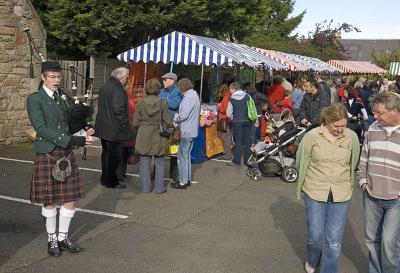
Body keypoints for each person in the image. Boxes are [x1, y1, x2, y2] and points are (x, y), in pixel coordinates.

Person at [27, 60, 94, 257]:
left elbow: (70, 122)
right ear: (43, 78)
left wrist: (84, 127)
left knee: (70, 198)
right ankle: (52, 239)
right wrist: (71, 139)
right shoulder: (35, 99)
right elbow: (41, 129)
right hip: (48, 152)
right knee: (49, 200)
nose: (56, 80)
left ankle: (63, 237)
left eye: (58, 77)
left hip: (65, 152)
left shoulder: (64, 96)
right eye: (52, 77)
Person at [296, 103, 360, 273]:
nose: (340, 130)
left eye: (343, 126)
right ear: (327, 121)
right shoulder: (312, 136)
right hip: (315, 190)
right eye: (336, 126)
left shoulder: (352, 137)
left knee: (334, 241)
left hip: (341, 192)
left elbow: (354, 162)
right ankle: (312, 259)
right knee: (315, 237)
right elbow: (301, 160)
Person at [358, 92, 400, 273]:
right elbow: (364, 158)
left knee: (389, 244)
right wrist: (362, 181)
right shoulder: (373, 128)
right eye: (374, 112)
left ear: (395, 110)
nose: (375, 116)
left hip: (395, 200)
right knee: (371, 240)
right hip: (371, 195)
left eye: (379, 113)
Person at [133, 78, 173, 193]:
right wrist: (170, 132)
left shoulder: (140, 103)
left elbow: (135, 123)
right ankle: (159, 188)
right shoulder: (163, 103)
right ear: (158, 89)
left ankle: (145, 187)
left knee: (144, 162)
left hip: (144, 133)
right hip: (158, 134)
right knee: (160, 162)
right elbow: (167, 121)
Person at [95, 67, 132, 189]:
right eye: (126, 77)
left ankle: (105, 179)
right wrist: (125, 126)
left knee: (106, 154)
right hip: (113, 129)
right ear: (122, 77)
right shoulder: (117, 90)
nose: (127, 80)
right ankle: (111, 181)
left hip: (104, 127)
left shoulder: (105, 86)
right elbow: (119, 110)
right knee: (114, 157)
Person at [171, 78, 200, 189]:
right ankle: (186, 179)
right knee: (186, 156)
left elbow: (184, 114)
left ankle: (183, 181)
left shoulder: (189, 97)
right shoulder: (194, 95)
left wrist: (176, 119)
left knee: (182, 157)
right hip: (191, 130)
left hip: (186, 130)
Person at [159, 72, 183, 184]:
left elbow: (174, 105)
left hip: (173, 126)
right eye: (163, 80)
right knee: (159, 150)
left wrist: (163, 101)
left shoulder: (178, 92)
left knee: (173, 152)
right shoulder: (161, 91)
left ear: (172, 81)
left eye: (165, 79)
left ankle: (173, 174)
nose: (163, 81)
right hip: (162, 125)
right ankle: (156, 172)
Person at [226, 82, 255, 167]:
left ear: (233, 89)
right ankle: (248, 161)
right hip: (248, 120)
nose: (230, 92)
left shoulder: (231, 99)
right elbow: (252, 107)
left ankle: (237, 161)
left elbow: (228, 114)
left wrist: (233, 118)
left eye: (230, 90)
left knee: (238, 141)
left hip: (237, 122)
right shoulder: (248, 96)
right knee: (247, 141)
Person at [117, 80, 136, 179]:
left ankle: (123, 172)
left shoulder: (130, 96)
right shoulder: (120, 96)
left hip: (130, 126)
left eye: (129, 84)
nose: (129, 86)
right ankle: (118, 174)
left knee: (126, 152)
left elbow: (133, 109)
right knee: (120, 152)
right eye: (127, 85)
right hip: (123, 127)